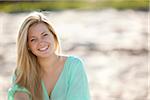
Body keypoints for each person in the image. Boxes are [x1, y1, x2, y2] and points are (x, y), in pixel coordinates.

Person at [8, 12, 90, 100]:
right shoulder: (23, 71)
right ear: (27, 46)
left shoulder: (74, 66)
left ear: (53, 35)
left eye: (45, 35)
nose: (41, 42)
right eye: (33, 39)